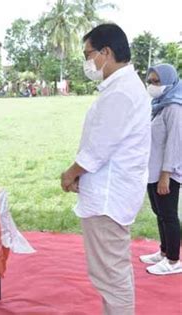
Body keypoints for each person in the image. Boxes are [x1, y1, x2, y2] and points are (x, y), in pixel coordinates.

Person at [60, 24, 151, 315]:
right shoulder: (121, 87)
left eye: (88, 54)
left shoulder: (121, 91)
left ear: (106, 52)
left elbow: (98, 147)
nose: (87, 62)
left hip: (109, 198)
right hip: (110, 192)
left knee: (111, 275)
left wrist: (72, 172)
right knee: (109, 273)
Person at [139, 64, 182, 275]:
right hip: (153, 170)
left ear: (169, 82)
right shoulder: (159, 105)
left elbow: (175, 143)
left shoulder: (174, 107)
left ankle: (174, 261)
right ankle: (164, 252)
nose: (152, 85)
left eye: (157, 82)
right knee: (160, 213)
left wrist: (166, 175)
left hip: (167, 172)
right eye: (150, 81)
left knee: (169, 215)